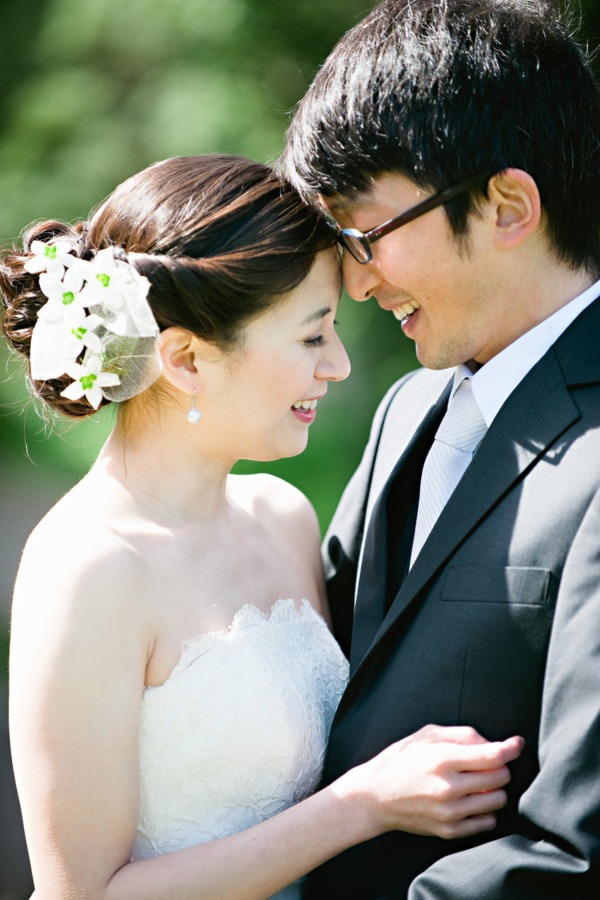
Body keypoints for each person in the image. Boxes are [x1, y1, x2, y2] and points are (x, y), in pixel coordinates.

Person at [0, 154, 522, 900]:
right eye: (312, 337)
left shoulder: (284, 515)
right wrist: (360, 807)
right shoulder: (87, 566)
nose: (337, 365)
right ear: (185, 359)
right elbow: (83, 892)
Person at [281, 0, 600, 897]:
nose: (352, 278)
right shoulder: (405, 408)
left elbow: (576, 853)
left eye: (364, 232)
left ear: (506, 206)